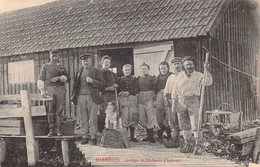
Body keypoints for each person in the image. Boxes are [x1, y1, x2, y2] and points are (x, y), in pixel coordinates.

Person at [171, 56, 213, 153]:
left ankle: (198, 146)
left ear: (194, 65)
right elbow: (174, 90)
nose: (188, 66)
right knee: (184, 125)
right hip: (181, 101)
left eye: (190, 64)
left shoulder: (199, 75)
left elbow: (208, 82)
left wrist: (207, 70)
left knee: (195, 124)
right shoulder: (180, 76)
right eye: (186, 65)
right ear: (184, 66)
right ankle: (188, 144)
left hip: (193, 101)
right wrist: (174, 103)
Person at [71, 54, 104, 145]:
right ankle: (85, 136)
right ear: (82, 62)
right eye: (84, 61)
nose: (85, 62)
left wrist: (92, 81)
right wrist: (73, 98)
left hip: (92, 97)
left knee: (93, 117)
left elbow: (102, 84)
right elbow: (74, 86)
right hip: (80, 97)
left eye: (87, 60)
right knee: (83, 117)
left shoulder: (96, 71)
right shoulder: (79, 72)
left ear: (90, 61)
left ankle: (93, 137)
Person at [38, 49, 70, 137]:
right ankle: (51, 130)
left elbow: (68, 78)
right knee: (50, 110)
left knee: (59, 110)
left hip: (60, 89)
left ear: (59, 56)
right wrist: (42, 90)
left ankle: (58, 130)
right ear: (50, 56)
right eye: (53, 56)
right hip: (49, 89)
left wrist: (59, 77)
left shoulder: (62, 67)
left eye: (56, 56)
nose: (54, 58)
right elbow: (40, 79)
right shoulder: (45, 66)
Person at [163, 57, 183, 144]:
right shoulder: (171, 77)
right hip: (171, 100)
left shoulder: (184, 75)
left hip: (181, 100)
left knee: (182, 120)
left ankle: (184, 139)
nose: (176, 66)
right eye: (175, 64)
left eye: (178, 63)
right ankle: (175, 139)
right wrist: (165, 97)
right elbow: (166, 89)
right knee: (172, 120)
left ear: (182, 65)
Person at [117, 64, 139, 142]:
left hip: (132, 99)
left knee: (133, 116)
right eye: (125, 70)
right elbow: (117, 89)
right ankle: (125, 137)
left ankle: (133, 137)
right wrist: (122, 93)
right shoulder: (119, 79)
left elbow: (137, 89)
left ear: (131, 70)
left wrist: (129, 92)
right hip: (123, 100)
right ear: (123, 70)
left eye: (128, 70)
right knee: (124, 117)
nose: (127, 71)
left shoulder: (134, 79)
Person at [137, 63, 157, 143]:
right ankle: (147, 135)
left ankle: (151, 137)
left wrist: (154, 99)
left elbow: (155, 88)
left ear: (148, 69)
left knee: (150, 116)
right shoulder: (139, 78)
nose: (143, 70)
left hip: (150, 96)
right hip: (141, 97)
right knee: (142, 116)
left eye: (145, 68)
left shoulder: (152, 78)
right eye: (142, 69)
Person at [154, 62, 173, 143]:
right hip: (159, 96)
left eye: (164, 68)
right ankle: (160, 133)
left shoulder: (172, 76)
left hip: (169, 96)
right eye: (161, 68)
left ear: (168, 68)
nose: (163, 70)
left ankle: (170, 135)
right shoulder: (158, 77)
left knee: (168, 114)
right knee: (160, 115)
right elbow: (155, 89)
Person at [99, 55, 118, 132]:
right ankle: (102, 132)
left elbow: (117, 82)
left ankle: (112, 131)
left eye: (108, 62)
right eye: (105, 62)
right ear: (101, 63)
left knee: (113, 112)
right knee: (103, 113)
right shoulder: (99, 73)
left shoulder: (112, 74)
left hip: (112, 95)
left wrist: (116, 85)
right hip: (103, 95)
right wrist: (106, 88)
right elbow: (97, 85)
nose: (107, 64)